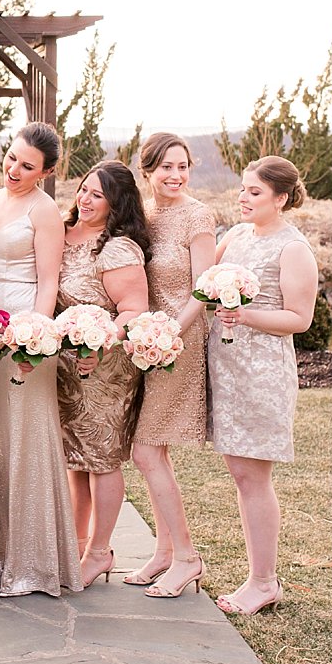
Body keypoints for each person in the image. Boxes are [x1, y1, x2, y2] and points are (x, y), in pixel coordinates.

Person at [206, 156, 318, 615]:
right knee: (240, 473)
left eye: (255, 192)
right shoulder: (234, 236)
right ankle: (261, 578)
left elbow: (300, 318)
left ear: (282, 199)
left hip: (261, 371)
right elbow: (204, 286)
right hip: (227, 367)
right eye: (242, 189)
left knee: (254, 476)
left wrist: (245, 315)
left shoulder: (293, 249)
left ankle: (263, 582)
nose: (243, 197)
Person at [0, 124, 82, 597]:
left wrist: (32, 341)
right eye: (11, 158)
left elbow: (47, 282)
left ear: (48, 172)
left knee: (26, 435)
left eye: (27, 166)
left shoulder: (45, 213)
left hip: (23, 324)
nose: (13, 170)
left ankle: (32, 562)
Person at [126, 133, 216, 598]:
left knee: (146, 451)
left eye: (182, 166)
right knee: (152, 450)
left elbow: (204, 288)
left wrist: (170, 333)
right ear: (148, 171)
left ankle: (186, 558)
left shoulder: (198, 215)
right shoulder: (146, 214)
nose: (176, 175)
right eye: (166, 168)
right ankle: (164, 553)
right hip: (147, 344)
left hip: (180, 340)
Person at [56, 160, 151, 588]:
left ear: (117, 203)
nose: (86, 199)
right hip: (63, 367)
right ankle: (76, 543)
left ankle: (101, 551)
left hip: (104, 367)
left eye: (98, 194)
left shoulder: (117, 248)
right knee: (75, 459)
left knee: (101, 459)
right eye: (83, 189)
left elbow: (133, 309)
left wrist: (100, 342)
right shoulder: (62, 232)